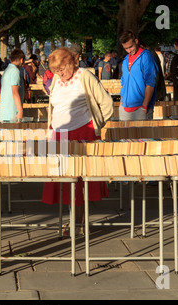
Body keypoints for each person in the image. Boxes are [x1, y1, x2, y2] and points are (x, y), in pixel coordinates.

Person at [42, 47, 113, 236]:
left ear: (71, 63)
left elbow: (106, 103)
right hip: (59, 135)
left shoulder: (85, 76)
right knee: (65, 183)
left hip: (82, 133)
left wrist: (95, 125)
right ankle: (73, 221)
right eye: (56, 70)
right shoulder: (57, 79)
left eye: (62, 69)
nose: (60, 74)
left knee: (80, 183)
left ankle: (78, 223)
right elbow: (54, 106)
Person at [119, 30, 158, 121]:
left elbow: (151, 82)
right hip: (124, 108)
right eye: (126, 48)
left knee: (144, 135)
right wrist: (121, 104)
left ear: (136, 41)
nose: (129, 50)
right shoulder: (125, 60)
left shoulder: (146, 56)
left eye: (130, 47)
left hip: (141, 108)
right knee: (125, 135)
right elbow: (124, 83)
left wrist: (145, 106)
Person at [0, 48, 25, 122]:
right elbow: (15, 92)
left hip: (6, 112)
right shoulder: (15, 71)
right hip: (12, 112)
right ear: (21, 60)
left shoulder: (8, 70)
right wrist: (20, 110)